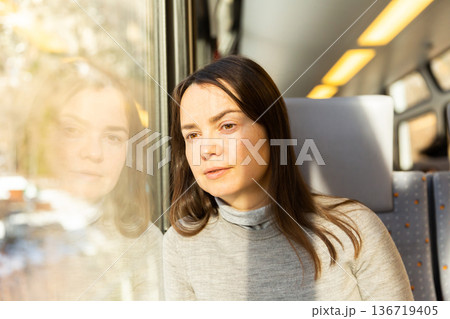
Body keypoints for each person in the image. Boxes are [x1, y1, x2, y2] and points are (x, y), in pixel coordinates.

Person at [163, 55, 414, 301]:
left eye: (227, 126)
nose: (206, 149)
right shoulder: (180, 245)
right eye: (193, 135)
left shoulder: (354, 229)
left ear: (272, 132)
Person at [5, 57, 163, 300]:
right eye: (72, 131)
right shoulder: (11, 233)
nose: (93, 153)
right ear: (42, 137)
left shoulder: (144, 244)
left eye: (112, 137)